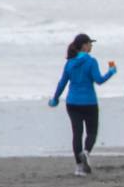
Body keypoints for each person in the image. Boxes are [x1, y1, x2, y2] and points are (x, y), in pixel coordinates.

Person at [48, 33, 117, 176]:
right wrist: (111, 72)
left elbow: (62, 83)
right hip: (89, 102)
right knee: (92, 132)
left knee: (77, 134)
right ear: (84, 45)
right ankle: (86, 152)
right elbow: (99, 80)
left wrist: (55, 98)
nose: (91, 46)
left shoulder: (70, 63)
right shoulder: (91, 61)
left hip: (72, 102)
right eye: (90, 43)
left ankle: (79, 167)